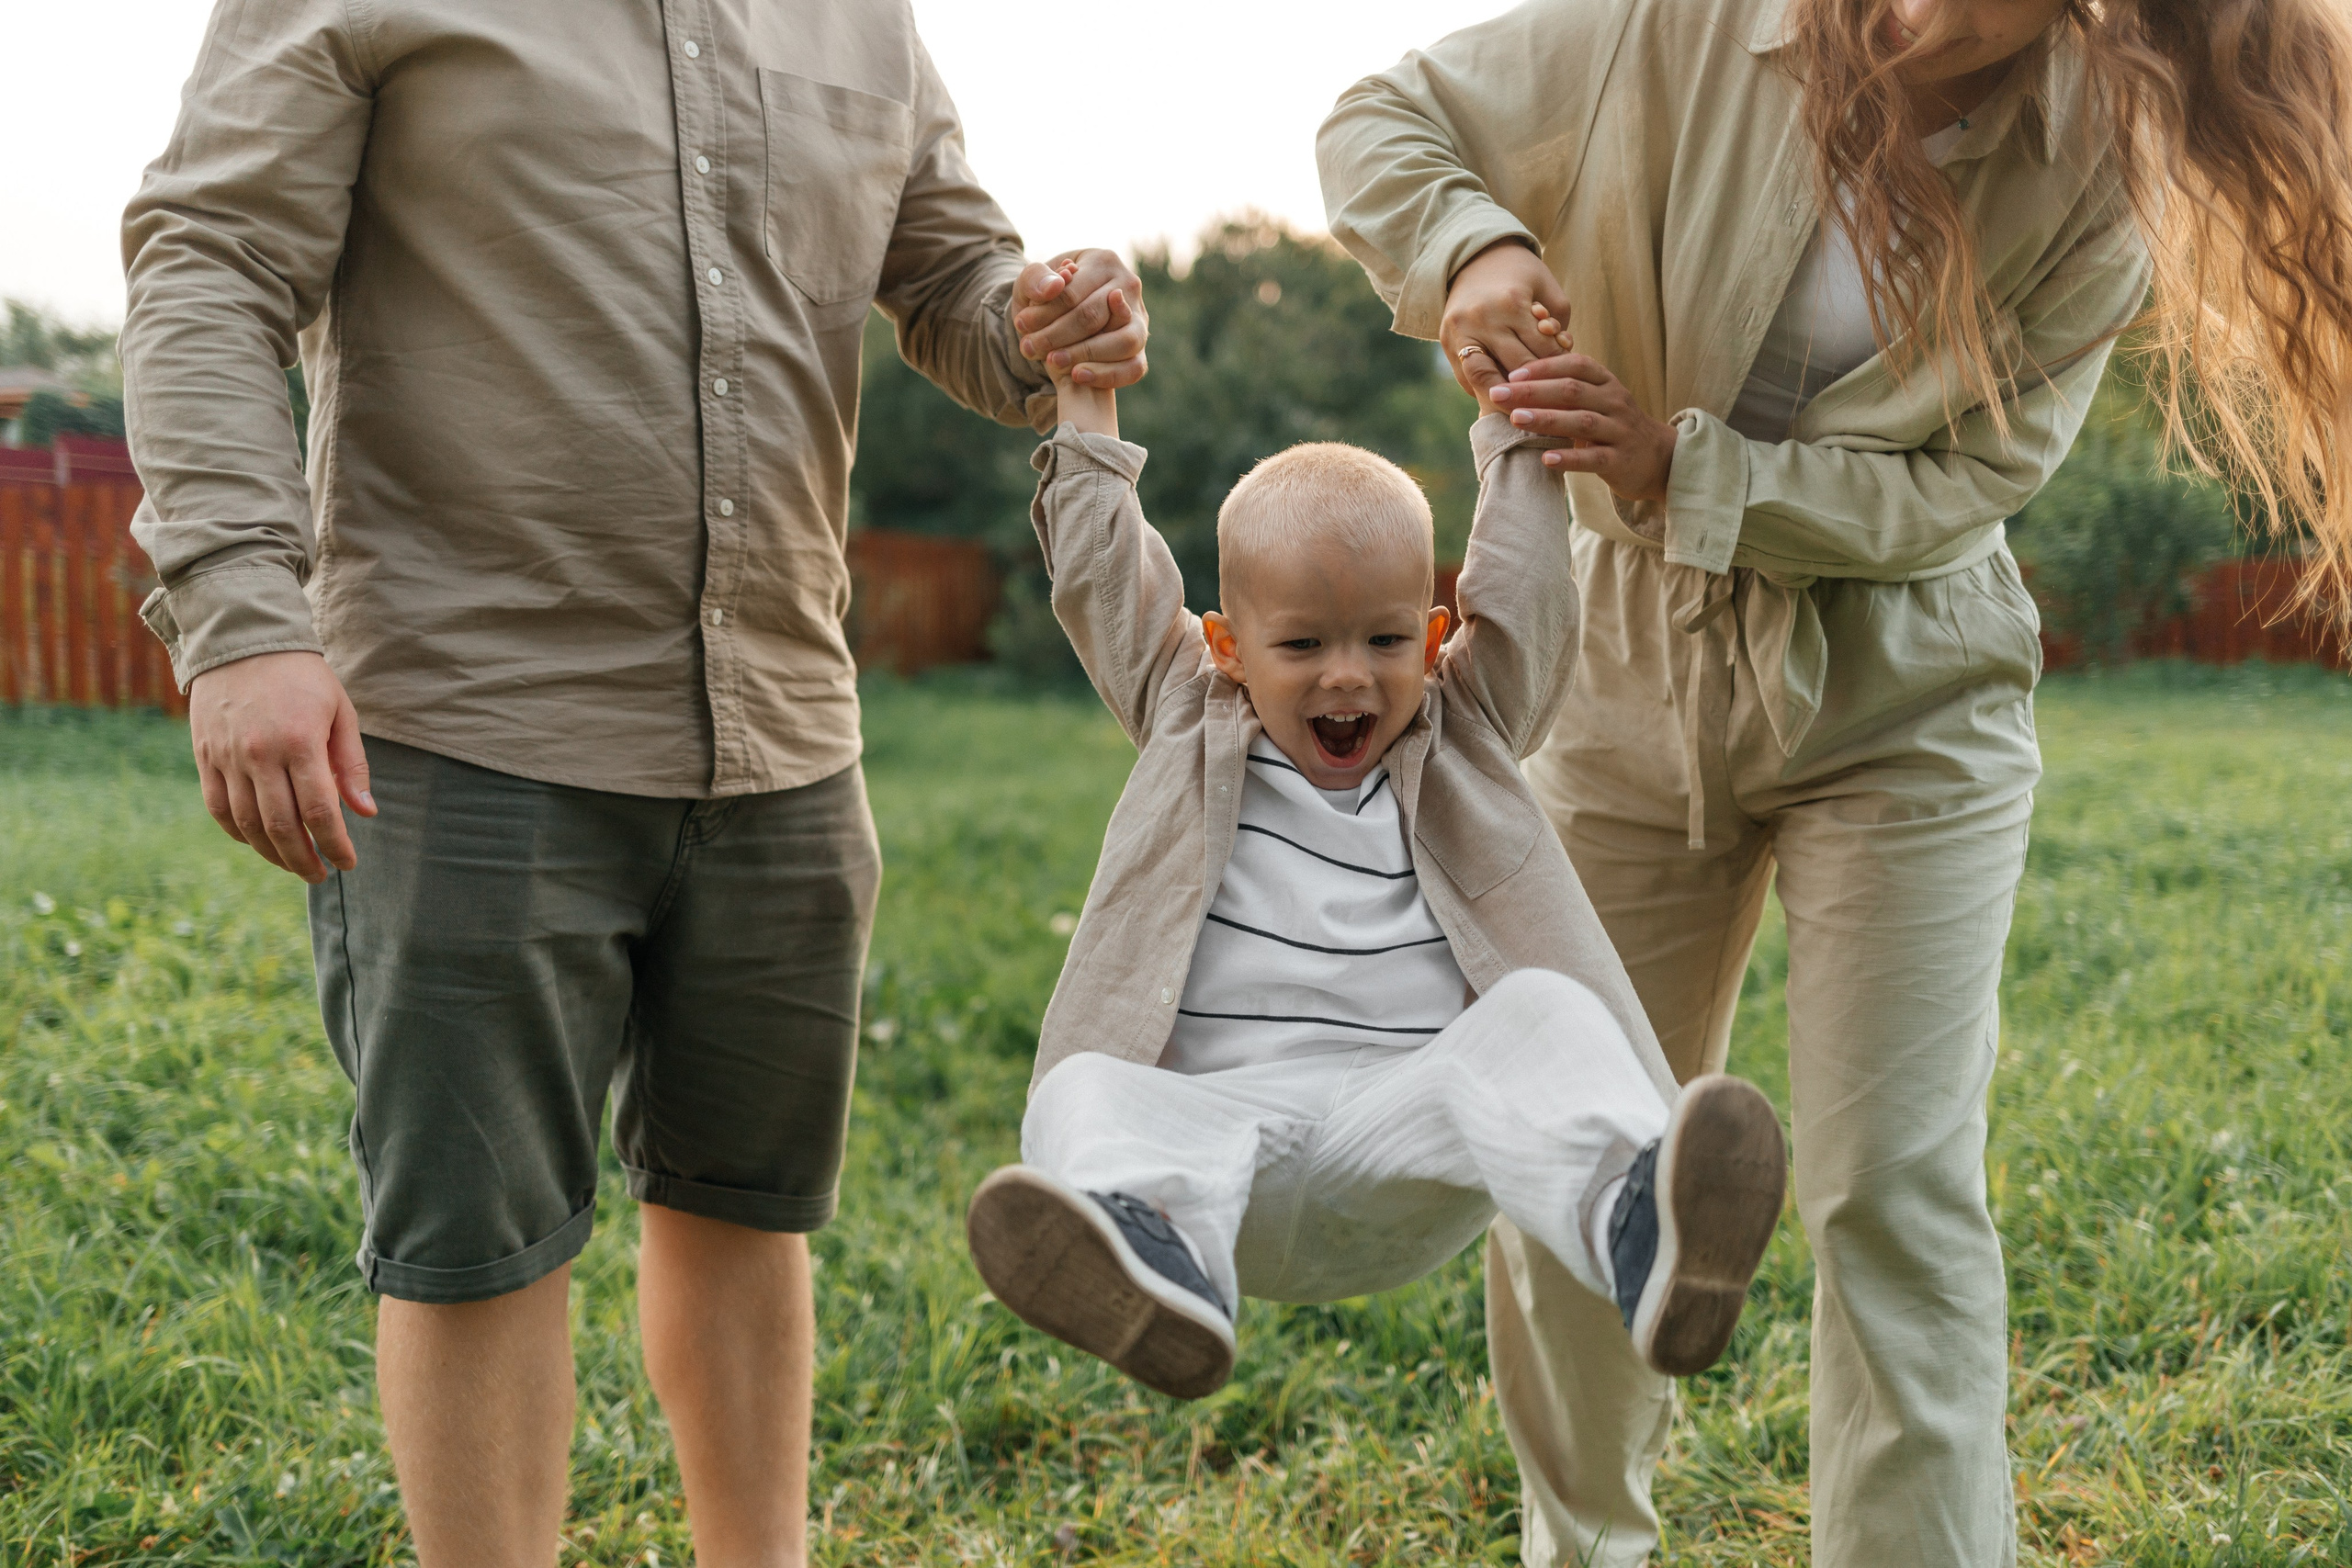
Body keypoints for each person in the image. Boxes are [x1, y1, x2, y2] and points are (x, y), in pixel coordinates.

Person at [1317, 0, 2352, 1564]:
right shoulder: (1680, 26)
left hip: (1907, 687)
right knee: (1577, 1144)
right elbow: (1380, 118)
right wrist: (1473, 245)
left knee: (1892, 1185)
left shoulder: (2094, 166)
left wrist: (1681, 469)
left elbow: (1968, 484)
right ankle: (1580, 1546)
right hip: (1618, 666)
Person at [119, 4, 1144, 1563]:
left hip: (784, 728)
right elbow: (208, 262)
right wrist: (245, 622)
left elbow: (952, 280)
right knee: (479, 1242)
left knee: (746, 1205)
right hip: (467, 717)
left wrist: (1046, 313)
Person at [961, 282, 1789, 1423]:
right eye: (1302, 644)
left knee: (1542, 1013)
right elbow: (1103, 579)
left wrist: (1511, 420)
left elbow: (1528, 598)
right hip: (1215, 1143)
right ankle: (1153, 1259)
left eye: (1387, 640)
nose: (1348, 675)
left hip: (1405, 1140)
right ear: (1226, 647)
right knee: (1083, 1090)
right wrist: (1084, 403)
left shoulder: (1462, 732)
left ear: (1434, 636)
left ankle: (1639, 1226)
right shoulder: (1186, 714)